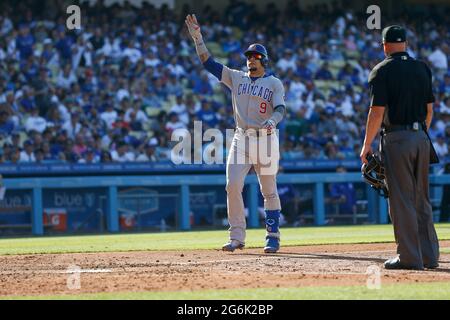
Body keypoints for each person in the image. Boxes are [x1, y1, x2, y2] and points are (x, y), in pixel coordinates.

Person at [185, 14, 286, 253]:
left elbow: (281, 108)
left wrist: (273, 120)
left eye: (256, 56)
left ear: (264, 61)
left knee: (269, 190)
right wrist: (198, 38)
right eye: (249, 56)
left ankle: (272, 236)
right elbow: (208, 63)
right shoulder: (236, 77)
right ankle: (237, 237)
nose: (251, 60)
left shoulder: (274, 83)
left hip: (266, 139)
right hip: (241, 138)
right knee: (232, 186)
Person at [360, 25, 440, 270]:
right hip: (422, 138)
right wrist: (419, 133)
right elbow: (429, 110)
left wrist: (367, 144)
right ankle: (429, 256)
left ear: (385, 45)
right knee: (421, 198)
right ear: (405, 43)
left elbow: (376, 112)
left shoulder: (382, 70)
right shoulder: (422, 68)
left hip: (397, 139)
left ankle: (409, 257)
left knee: (401, 199)